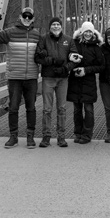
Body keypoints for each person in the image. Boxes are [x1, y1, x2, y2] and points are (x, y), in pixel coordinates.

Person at [0, 7, 41, 149]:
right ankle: (13, 137)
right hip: (15, 76)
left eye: (30, 16)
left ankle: (30, 137)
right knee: (13, 107)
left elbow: (45, 52)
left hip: (31, 77)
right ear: (20, 16)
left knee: (31, 108)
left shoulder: (37, 35)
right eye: (25, 16)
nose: (27, 19)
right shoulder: (10, 33)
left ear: (33, 18)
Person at [34, 17, 79, 148]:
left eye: (58, 24)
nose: (55, 26)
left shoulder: (69, 40)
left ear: (61, 26)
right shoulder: (43, 39)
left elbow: (75, 58)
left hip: (63, 78)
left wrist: (65, 68)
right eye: (53, 24)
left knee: (62, 108)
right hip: (48, 77)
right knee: (47, 109)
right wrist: (53, 61)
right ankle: (46, 137)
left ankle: (61, 137)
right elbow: (37, 57)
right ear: (50, 27)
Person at [66, 21, 105, 144]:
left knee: (88, 109)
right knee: (77, 110)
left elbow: (101, 66)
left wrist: (86, 70)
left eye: (90, 31)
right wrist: (74, 67)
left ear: (93, 33)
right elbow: (67, 58)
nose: (88, 33)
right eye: (86, 31)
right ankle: (78, 133)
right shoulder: (74, 44)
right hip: (75, 81)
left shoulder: (96, 48)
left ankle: (87, 135)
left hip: (88, 81)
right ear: (82, 32)